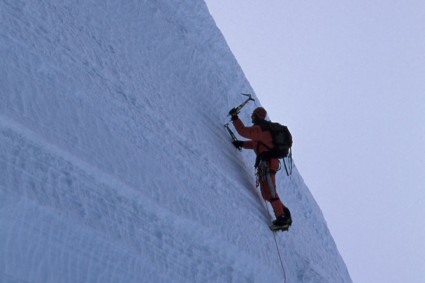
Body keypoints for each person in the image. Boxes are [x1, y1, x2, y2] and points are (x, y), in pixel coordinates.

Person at [230, 106, 292, 229]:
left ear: (257, 116)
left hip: (268, 163)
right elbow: (256, 145)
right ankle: (284, 213)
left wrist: (235, 117)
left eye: (253, 115)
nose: (252, 117)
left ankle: (282, 219)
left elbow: (243, 131)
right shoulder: (264, 131)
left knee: (270, 192)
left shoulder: (260, 129)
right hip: (268, 163)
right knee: (267, 194)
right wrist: (241, 144)